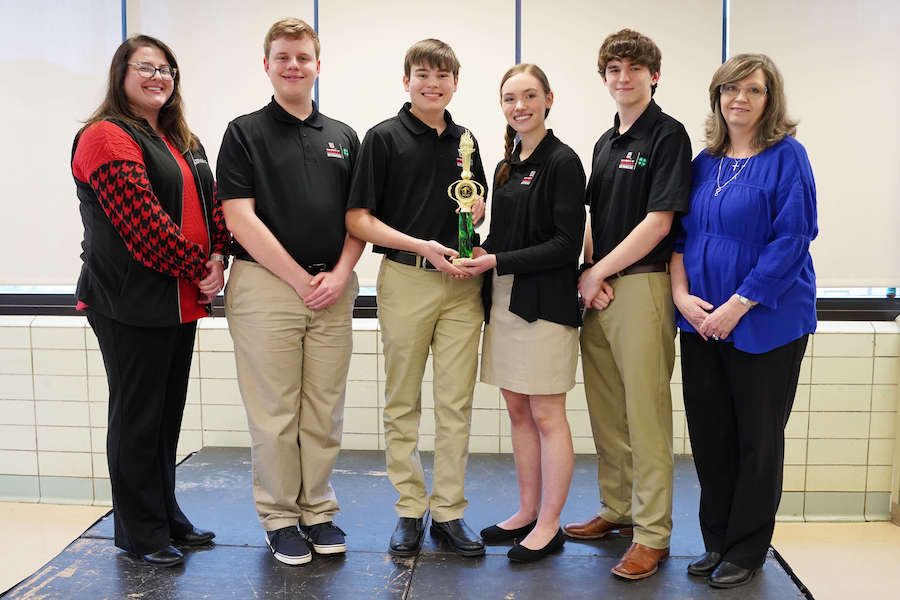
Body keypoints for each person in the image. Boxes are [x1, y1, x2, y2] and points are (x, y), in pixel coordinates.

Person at [72, 34, 228, 567]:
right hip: (128, 304)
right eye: (146, 67)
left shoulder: (181, 138)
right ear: (121, 74)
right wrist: (198, 267)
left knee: (165, 419)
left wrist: (218, 259)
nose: (158, 77)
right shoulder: (105, 137)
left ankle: (165, 517)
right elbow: (143, 226)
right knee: (138, 419)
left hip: (179, 301)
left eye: (167, 69)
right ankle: (140, 534)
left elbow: (214, 211)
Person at [216, 18, 363, 566]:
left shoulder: (343, 137)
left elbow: (359, 218)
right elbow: (239, 218)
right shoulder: (244, 132)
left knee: (324, 409)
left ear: (318, 65)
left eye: (303, 56)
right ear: (268, 65)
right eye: (283, 57)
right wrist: (299, 279)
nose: (294, 65)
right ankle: (280, 517)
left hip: (334, 286)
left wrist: (341, 274)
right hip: (266, 287)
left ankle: (318, 510)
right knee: (275, 412)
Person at [672, 53, 816, 589]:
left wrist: (740, 303)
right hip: (701, 320)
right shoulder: (704, 162)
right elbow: (681, 237)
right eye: (731, 89)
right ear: (717, 96)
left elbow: (792, 239)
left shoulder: (787, 157)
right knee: (710, 436)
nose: (740, 99)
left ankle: (748, 549)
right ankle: (717, 541)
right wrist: (682, 298)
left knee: (758, 439)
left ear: (768, 98)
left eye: (753, 90)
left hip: (766, 320)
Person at [346, 38, 488, 558]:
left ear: (455, 83)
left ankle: (449, 511)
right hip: (406, 279)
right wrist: (421, 247)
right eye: (423, 74)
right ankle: (409, 508)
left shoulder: (467, 139)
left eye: (443, 75)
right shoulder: (381, 138)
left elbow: (474, 206)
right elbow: (359, 219)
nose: (433, 83)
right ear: (406, 80)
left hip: (462, 285)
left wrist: (475, 216)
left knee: (456, 403)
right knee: (402, 400)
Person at [566, 29, 692, 580]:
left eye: (634, 68)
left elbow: (659, 221)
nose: (623, 77)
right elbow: (596, 219)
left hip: (641, 286)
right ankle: (617, 510)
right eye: (613, 70)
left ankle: (653, 533)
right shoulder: (603, 142)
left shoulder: (668, 135)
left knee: (645, 417)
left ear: (653, 75)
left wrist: (600, 271)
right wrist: (588, 277)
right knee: (608, 412)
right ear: (604, 79)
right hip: (601, 290)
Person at [457, 64, 584, 563]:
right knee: (517, 410)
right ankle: (527, 510)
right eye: (510, 98)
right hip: (505, 300)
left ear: (548, 99)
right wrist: (475, 247)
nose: (520, 106)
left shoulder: (563, 162)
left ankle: (550, 524)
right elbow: (507, 241)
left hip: (546, 306)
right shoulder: (506, 164)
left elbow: (564, 245)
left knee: (548, 413)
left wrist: (496, 259)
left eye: (529, 96)